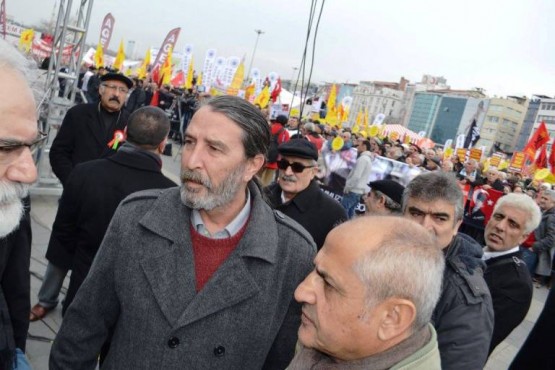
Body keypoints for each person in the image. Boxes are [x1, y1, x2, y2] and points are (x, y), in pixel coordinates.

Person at [49, 96, 316, 369]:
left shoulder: (292, 252)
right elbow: (82, 328)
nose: (192, 160)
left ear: (252, 165)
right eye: (189, 142)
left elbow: (281, 360)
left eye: (213, 148)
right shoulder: (136, 216)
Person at [47, 106, 177, 316]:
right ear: (163, 143)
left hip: (81, 289)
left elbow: (63, 232)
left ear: (124, 132)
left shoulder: (84, 173)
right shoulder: (171, 195)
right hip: (129, 305)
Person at [30, 72, 134, 322]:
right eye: (111, 87)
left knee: (92, 256)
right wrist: (74, 181)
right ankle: (46, 299)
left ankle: (76, 304)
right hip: (74, 196)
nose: (116, 94)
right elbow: (59, 152)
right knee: (61, 249)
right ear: (100, 90)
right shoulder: (78, 115)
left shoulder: (130, 123)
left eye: (122, 90)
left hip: (107, 203)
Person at [288, 216, 445, 370]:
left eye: (328, 284)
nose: (301, 292)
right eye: (314, 270)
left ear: (392, 318)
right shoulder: (328, 342)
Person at [402, 171, 494, 370]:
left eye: (440, 218)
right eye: (416, 213)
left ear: (457, 225)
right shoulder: (379, 254)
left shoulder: (466, 300)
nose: (425, 227)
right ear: (403, 214)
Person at [0, 39, 42, 370]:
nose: (30, 173)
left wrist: (15, 353)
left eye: (32, 145)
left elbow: (15, 292)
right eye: (6, 147)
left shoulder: (10, 208)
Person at [482, 193, 541, 355]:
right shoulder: (470, 253)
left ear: (524, 237)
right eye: (498, 216)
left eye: (513, 224)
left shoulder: (516, 284)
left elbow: (478, 340)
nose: (500, 226)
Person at [265, 139, 347, 250]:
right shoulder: (262, 196)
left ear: (313, 172)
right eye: (283, 164)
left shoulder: (333, 213)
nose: (288, 172)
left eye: (297, 167)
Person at [341, 138, 373, 218]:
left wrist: (348, 187)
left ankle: (342, 228)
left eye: (359, 145)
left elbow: (356, 176)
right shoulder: (367, 159)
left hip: (353, 190)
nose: (357, 147)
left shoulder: (363, 159)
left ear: (364, 146)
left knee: (343, 211)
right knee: (350, 212)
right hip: (357, 191)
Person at [532, 189, 555, 287]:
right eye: (542, 197)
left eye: (546, 199)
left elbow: (551, 239)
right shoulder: (542, 211)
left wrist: (534, 246)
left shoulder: (552, 217)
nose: (542, 200)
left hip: (536, 253)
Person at [259, 114, 290, 187]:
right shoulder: (285, 133)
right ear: (285, 122)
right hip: (274, 159)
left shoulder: (268, 128)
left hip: (262, 156)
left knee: (256, 178)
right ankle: (262, 194)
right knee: (266, 182)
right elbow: (286, 146)